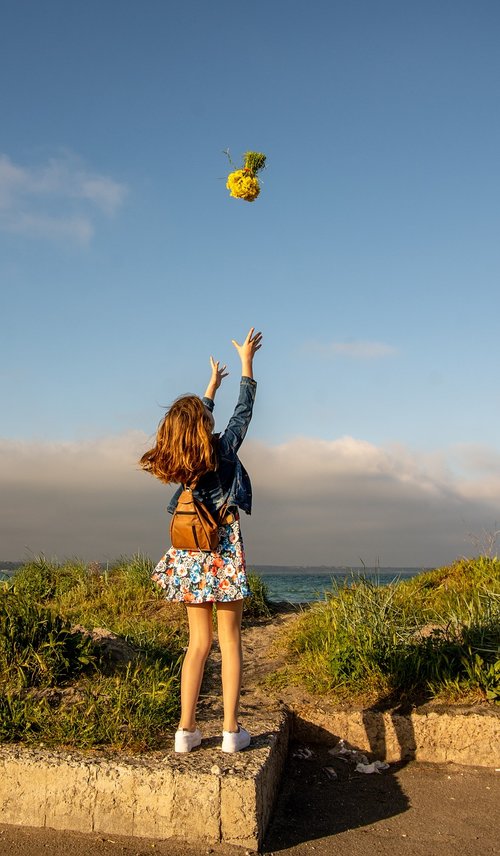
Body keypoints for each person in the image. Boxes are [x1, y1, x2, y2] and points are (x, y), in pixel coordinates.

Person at [139, 327, 262, 754]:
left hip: (190, 552)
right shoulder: (222, 450)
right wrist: (247, 363)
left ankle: (185, 731)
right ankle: (230, 732)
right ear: (205, 426)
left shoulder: (184, 460)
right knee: (230, 642)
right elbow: (242, 413)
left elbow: (195, 426)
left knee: (198, 645)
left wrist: (209, 389)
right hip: (223, 548)